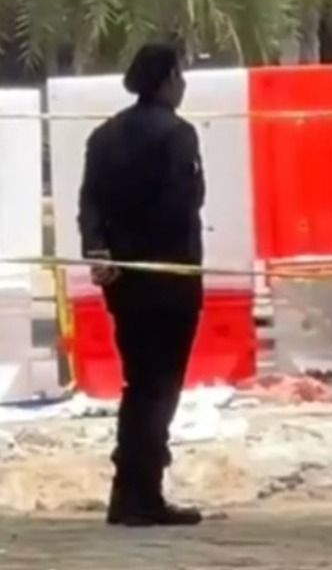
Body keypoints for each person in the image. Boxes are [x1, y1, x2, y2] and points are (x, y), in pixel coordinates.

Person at [78, 43, 205, 527]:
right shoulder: (178, 135)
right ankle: (141, 493)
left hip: (122, 279)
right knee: (159, 386)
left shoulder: (103, 135)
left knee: (139, 383)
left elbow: (88, 202)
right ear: (168, 78)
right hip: (168, 276)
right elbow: (183, 204)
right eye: (181, 74)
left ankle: (130, 487)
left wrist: (100, 249)